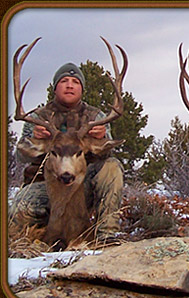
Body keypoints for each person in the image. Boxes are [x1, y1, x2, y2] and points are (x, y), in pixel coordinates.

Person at [9, 63, 124, 242]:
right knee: (14, 217)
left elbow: (106, 153)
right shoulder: (39, 117)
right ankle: (41, 233)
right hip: (46, 188)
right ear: (55, 87)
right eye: (64, 81)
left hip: (81, 187)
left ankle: (106, 236)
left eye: (75, 82)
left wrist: (101, 138)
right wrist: (34, 137)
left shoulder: (96, 117)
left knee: (112, 167)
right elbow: (21, 155)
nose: (70, 85)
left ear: (82, 89)